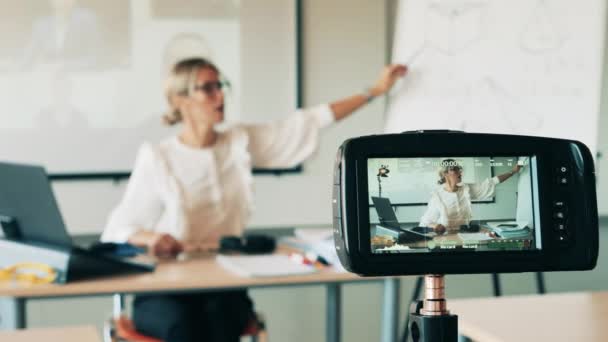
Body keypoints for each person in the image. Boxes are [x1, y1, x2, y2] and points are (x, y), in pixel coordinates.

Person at [101, 57, 407, 342]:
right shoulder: (159, 158)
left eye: (221, 86)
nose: (219, 95)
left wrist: (375, 91)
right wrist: (152, 237)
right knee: (185, 327)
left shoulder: (239, 143)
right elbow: (118, 229)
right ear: (179, 100)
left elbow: (307, 123)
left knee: (222, 323)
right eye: (208, 88)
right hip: (167, 287)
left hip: (223, 280)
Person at [419, 159, 522, 235]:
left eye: (459, 169)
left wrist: (513, 171)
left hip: (466, 236)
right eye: (455, 169)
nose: (460, 172)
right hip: (445, 239)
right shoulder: (437, 196)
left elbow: (492, 182)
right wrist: (435, 226)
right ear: (444, 173)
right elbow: (425, 223)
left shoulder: (466, 189)